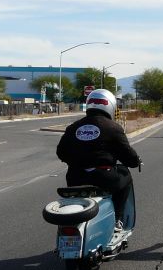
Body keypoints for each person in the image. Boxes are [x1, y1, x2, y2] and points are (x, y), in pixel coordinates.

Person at [56, 89, 141, 231]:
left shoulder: (73, 127)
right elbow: (129, 157)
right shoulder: (113, 127)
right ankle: (117, 219)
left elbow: (61, 152)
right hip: (104, 178)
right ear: (110, 106)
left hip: (75, 177)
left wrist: (77, 162)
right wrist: (135, 161)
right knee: (125, 174)